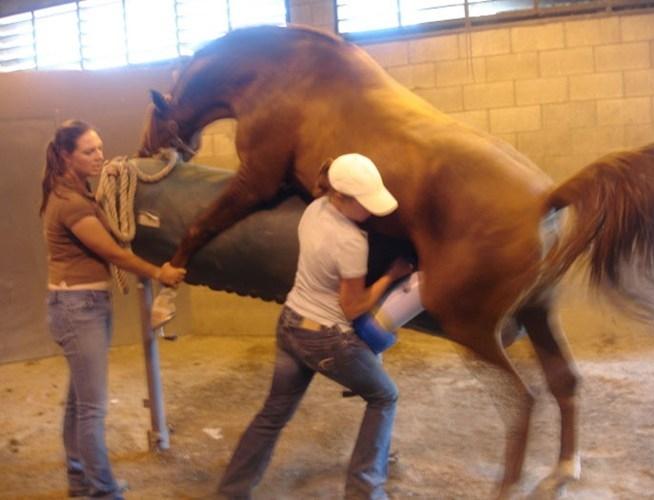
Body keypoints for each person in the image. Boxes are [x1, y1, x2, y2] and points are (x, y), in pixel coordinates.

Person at [218, 153, 413, 499]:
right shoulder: (351, 241)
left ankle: (230, 492)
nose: (369, 211)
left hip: (291, 322)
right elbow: (352, 307)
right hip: (325, 339)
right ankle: (365, 491)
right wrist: (390, 277)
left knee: (273, 414)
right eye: (364, 204)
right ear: (341, 196)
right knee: (385, 396)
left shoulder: (315, 209)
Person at [40, 119, 186, 499]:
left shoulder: (76, 191)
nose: (99, 156)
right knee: (92, 410)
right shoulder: (70, 202)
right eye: (89, 151)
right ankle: (103, 492)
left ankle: (80, 483)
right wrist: (160, 272)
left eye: (100, 147)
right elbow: (113, 252)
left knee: (79, 403)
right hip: (78, 308)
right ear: (66, 156)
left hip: (82, 304)